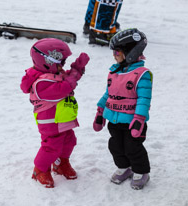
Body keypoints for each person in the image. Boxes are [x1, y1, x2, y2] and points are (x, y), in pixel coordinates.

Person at [20, 38, 90, 188]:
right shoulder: (40, 82)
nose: (63, 66)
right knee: (51, 146)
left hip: (62, 118)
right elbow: (64, 88)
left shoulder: (55, 73)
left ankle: (61, 164)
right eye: (61, 62)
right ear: (47, 61)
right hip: (49, 122)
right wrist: (73, 75)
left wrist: (77, 68)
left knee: (69, 141)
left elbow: (69, 79)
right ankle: (40, 169)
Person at [93, 28, 153, 190]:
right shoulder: (114, 72)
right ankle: (125, 167)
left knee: (133, 147)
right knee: (115, 145)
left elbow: (144, 99)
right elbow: (108, 94)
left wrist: (139, 119)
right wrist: (100, 111)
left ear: (132, 52)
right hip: (114, 119)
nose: (114, 54)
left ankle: (141, 171)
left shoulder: (142, 74)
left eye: (117, 51)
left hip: (132, 121)